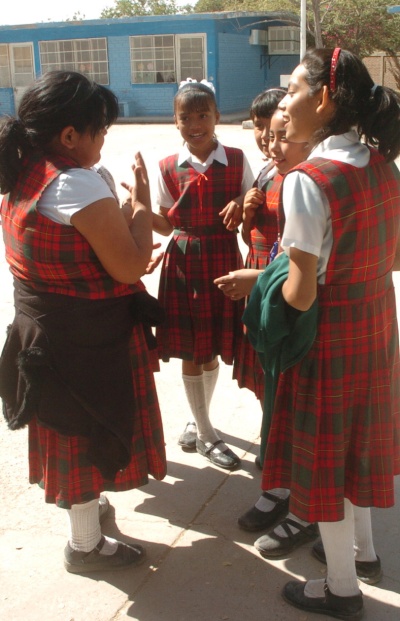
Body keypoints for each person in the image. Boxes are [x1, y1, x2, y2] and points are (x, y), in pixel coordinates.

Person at [243, 48, 400, 620]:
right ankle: (364, 554)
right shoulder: (382, 165)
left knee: (327, 460)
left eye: (292, 90)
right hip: (376, 322)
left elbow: (302, 293)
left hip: (329, 334)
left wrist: (266, 291)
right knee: (357, 446)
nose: (284, 104)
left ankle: (341, 589)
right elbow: (395, 258)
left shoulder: (308, 180)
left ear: (324, 99)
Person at [0, 71, 167, 574]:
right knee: (85, 432)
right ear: (70, 135)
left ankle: (87, 516)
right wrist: (141, 204)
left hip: (45, 333)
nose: (103, 141)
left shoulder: (26, 171)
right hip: (86, 340)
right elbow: (130, 265)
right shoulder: (75, 183)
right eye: (100, 131)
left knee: (70, 431)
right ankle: (86, 546)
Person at [215, 107, 312, 533]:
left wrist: (258, 280)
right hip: (270, 287)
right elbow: (260, 241)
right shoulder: (270, 177)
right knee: (270, 387)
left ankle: (295, 497)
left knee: (294, 397)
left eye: (282, 135)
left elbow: (305, 268)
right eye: (267, 135)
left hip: (293, 298)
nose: (271, 145)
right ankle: (279, 479)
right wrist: (248, 214)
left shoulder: (310, 185)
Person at [153, 79, 254, 470]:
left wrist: (242, 200)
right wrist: (139, 211)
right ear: (175, 121)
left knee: (211, 345)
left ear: (216, 116)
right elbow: (165, 224)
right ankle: (207, 434)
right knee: (192, 348)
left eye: (202, 115)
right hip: (183, 262)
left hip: (223, 257)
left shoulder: (238, 160)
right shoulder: (167, 167)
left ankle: (199, 420)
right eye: (186, 117)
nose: (195, 125)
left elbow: (255, 197)